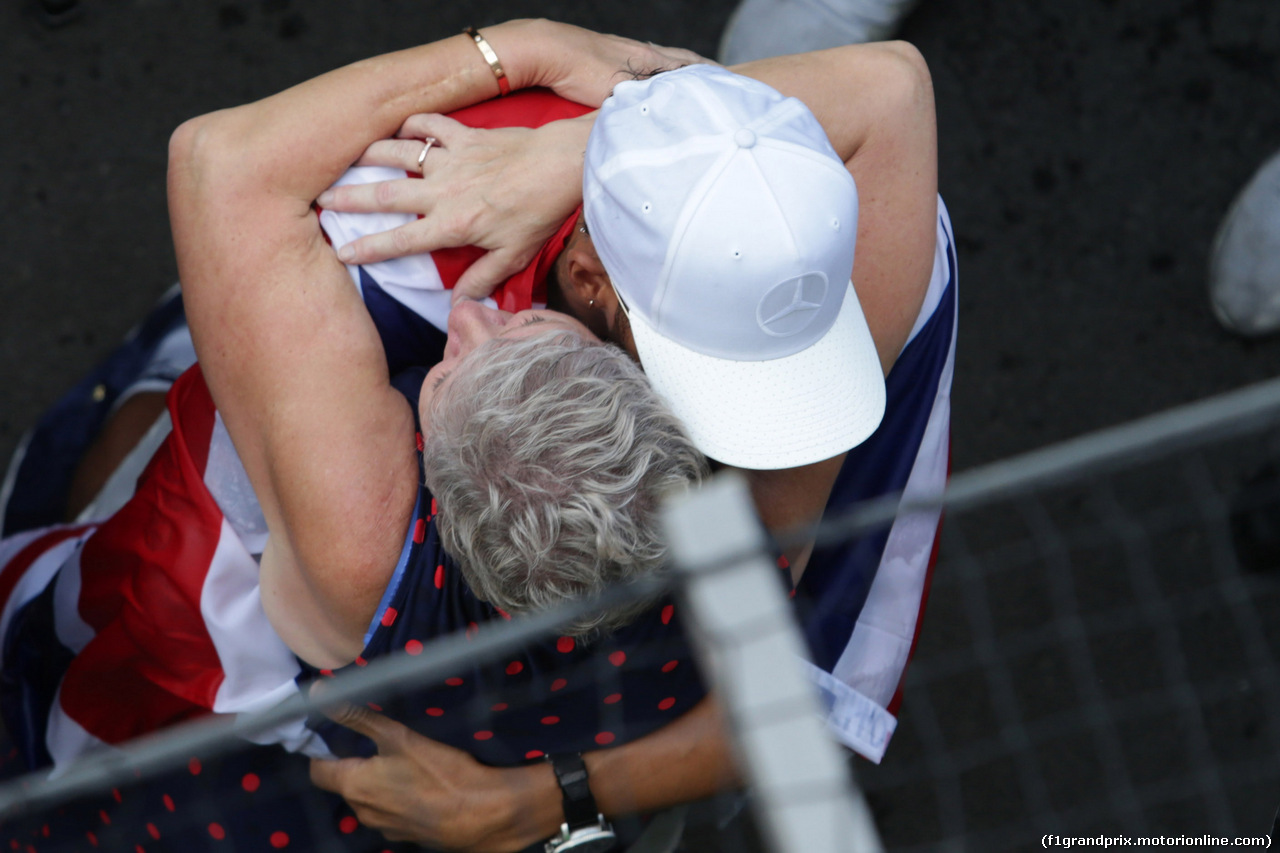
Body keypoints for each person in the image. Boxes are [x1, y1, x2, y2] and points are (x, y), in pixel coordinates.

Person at [0, 22, 728, 853]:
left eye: (449, 377)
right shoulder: (734, 556)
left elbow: (220, 163)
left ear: (440, 498)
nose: (469, 316)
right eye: (534, 337)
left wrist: (525, 50)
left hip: (193, 700)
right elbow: (883, 92)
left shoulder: (362, 544)